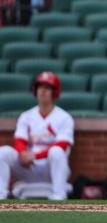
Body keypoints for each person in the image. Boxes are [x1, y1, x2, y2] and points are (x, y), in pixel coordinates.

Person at [0, 72, 74, 200]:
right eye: (40, 87)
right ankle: (1, 195)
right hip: (29, 166)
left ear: (55, 92)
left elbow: (63, 145)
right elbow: (19, 140)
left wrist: (36, 156)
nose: (43, 91)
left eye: (47, 88)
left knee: (57, 151)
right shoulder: (26, 116)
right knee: (3, 152)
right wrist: (23, 154)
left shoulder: (64, 117)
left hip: (51, 168)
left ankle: (59, 195)